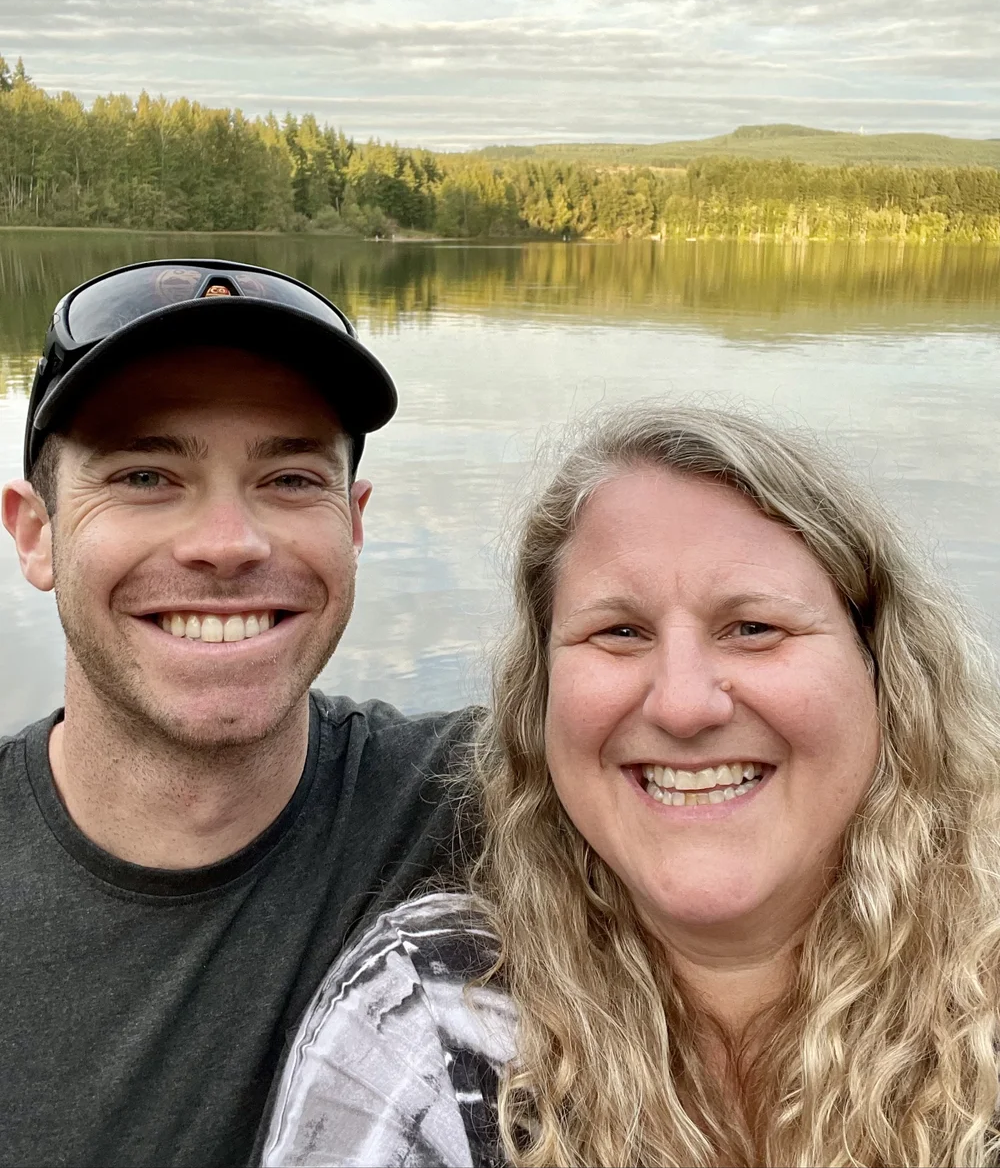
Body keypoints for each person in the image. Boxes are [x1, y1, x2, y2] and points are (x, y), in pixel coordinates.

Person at [262, 403, 1000, 1168]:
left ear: (883, 670)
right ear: (539, 700)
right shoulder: (437, 1017)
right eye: (619, 632)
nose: (683, 704)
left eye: (754, 627)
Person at [0, 260, 474, 1168]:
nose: (228, 544)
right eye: (145, 475)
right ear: (36, 532)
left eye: (292, 478)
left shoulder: (484, 804)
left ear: (355, 522)